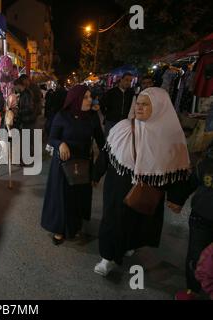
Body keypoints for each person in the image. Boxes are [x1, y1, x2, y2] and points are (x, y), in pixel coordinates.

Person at [92, 87, 191, 276]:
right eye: (138, 103)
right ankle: (107, 257)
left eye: (145, 104)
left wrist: (176, 198)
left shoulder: (170, 137)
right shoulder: (122, 127)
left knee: (137, 222)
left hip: (147, 190)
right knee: (113, 220)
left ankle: (128, 245)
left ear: (161, 107)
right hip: (118, 185)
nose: (139, 107)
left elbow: (176, 169)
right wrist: (96, 175)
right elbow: (106, 153)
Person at [41, 85, 105, 244]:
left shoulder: (92, 117)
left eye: (90, 96)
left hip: (83, 164)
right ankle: (59, 229)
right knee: (62, 197)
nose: (90, 100)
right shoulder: (62, 116)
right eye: (86, 97)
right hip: (63, 164)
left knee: (78, 197)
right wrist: (60, 144)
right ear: (76, 99)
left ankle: (74, 226)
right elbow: (52, 138)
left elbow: (101, 142)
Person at [174, 141, 213, 300]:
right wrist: (178, 200)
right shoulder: (206, 162)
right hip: (201, 219)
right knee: (195, 257)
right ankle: (192, 290)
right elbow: (192, 182)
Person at [100, 72, 135, 137]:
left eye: (130, 81)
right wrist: (106, 114)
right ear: (121, 80)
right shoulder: (111, 92)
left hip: (124, 122)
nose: (128, 82)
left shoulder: (131, 93)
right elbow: (102, 104)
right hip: (111, 122)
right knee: (109, 141)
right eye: (126, 80)